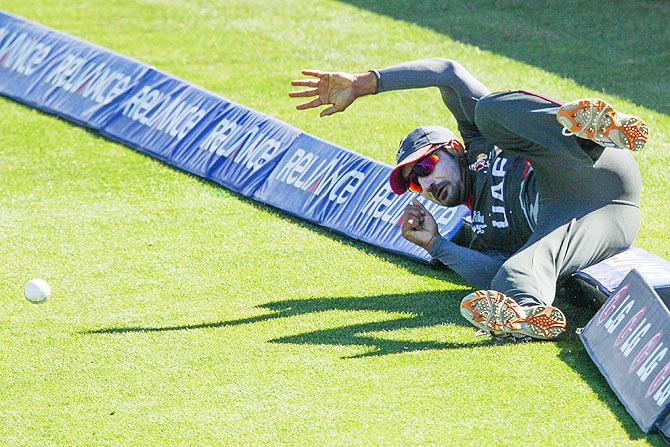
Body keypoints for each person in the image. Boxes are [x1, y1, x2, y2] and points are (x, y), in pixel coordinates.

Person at [289, 58, 649, 341]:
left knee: (489, 109)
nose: (427, 183)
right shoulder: (481, 233)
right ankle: (526, 317)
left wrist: (364, 83)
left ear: (454, 149)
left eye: (428, 164)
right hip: (598, 221)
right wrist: (435, 244)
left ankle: (596, 132)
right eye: (416, 184)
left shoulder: (477, 141)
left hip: (588, 164)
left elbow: (446, 71)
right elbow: (491, 273)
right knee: (512, 273)